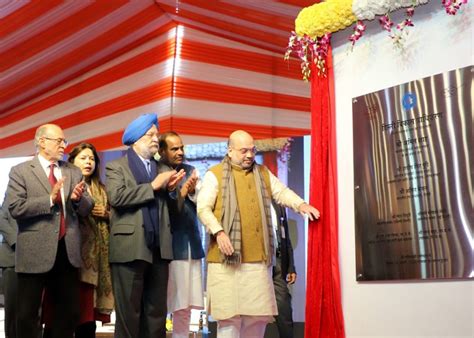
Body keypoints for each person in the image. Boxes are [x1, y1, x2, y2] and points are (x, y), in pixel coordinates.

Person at [197, 130, 320, 338]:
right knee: (229, 319)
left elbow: (281, 192)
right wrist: (219, 232)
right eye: (243, 150)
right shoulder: (214, 174)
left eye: (252, 150)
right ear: (230, 151)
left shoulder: (262, 173)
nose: (249, 155)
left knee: (257, 318)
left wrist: (301, 204)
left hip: (258, 262)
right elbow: (203, 208)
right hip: (226, 261)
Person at [6, 123, 94, 338]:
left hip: (67, 251)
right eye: (59, 141)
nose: (64, 145)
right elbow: (16, 208)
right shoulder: (21, 171)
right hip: (34, 252)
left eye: (65, 141)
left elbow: (88, 207)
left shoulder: (72, 171)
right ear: (41, 142)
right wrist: (48, 199)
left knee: (69, 313)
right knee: (27, 315)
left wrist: (78, 199)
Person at [105, 114, 185, 338]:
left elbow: (175, 211)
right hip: (129, 249)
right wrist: (153, 186)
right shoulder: (116, 167)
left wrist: (171, 192)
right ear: (135, 140)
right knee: (128, 314)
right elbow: (117, 197)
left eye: (156, 134)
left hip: (160, 248)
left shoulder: (163, 168)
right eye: (150, 135)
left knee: (156, 314)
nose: (155, 139)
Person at [158, 132, 205, 338]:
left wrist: (192, 191)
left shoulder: (190, 170)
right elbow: (164, 209)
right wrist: (182, 192)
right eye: (174, 148)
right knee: (163, 302)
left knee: (184, 305)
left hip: (189, 244)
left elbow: (204, 204)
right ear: (161, 151)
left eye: (182, 148)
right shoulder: (156, 171)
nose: (180, 152)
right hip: (166, 247)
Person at [68, 143, 114, 336]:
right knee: (67, 315)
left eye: (92, 159)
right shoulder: (65, 186)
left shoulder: (103, 189)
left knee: (87, 319)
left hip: (96, 262)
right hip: (72, 258)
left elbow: (117, 217)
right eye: (83, 158)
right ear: (71, 162)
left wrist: (107, 214)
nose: (88, 162)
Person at [271, 203, 296, 338]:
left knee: (284, 309)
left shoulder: (278, 205)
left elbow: (285, 237)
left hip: (278, 262)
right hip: (258, 263)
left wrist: (291, 266)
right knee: (253, 314)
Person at [0, 198, 18, 338]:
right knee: (11, 310)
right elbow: (2, 220)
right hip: (11, 259)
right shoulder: (13, 189)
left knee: (34, 311)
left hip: (35, 260)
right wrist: (18, 243)